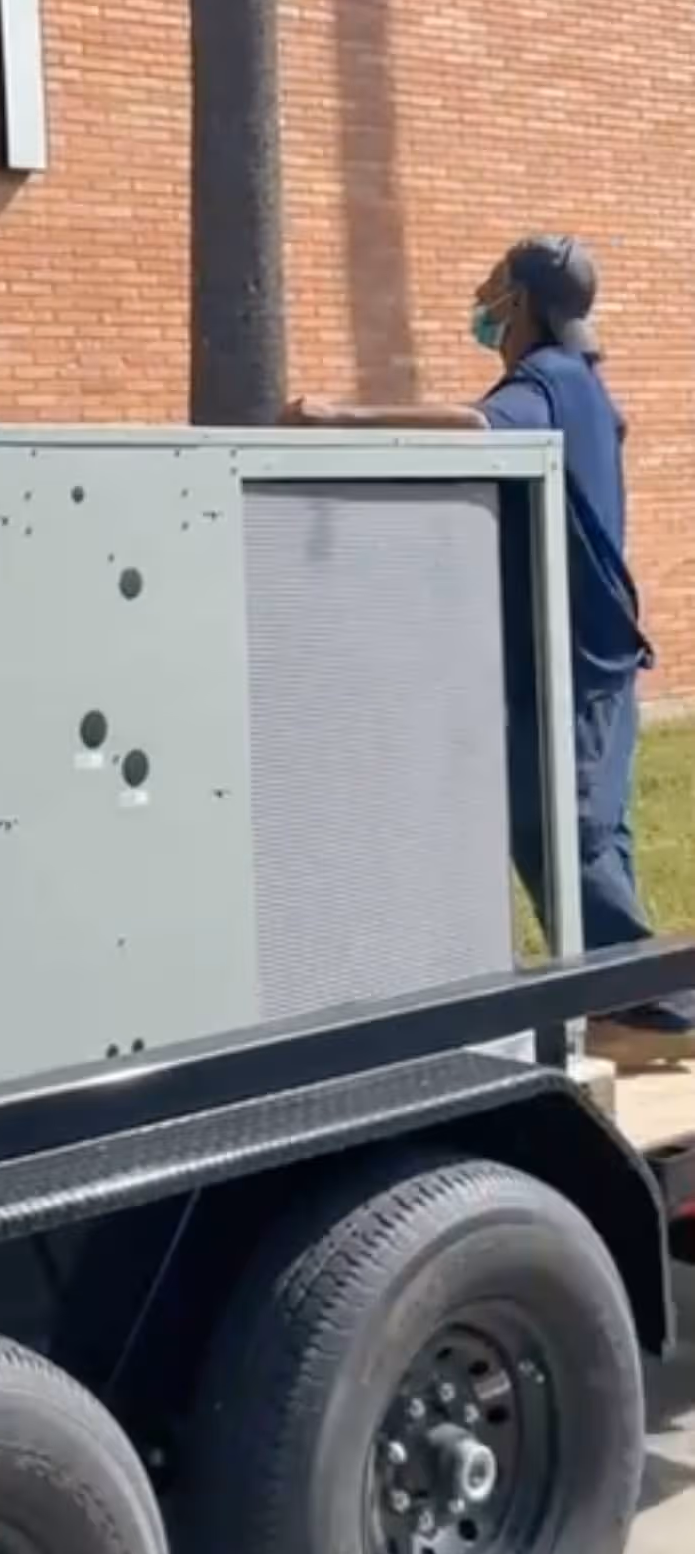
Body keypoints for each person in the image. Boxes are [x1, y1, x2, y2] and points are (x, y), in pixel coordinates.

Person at [288, 235, 693, 1070]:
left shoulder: (547, 381)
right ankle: (628, 998)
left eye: (494, 288)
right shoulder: (585, 385)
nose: (482, 302)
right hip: (599, 646)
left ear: (526, 302)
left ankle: (661, 1009)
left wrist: (340, 417)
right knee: (595, 832)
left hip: (570, 655)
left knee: (563, 828)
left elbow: (478, 430)